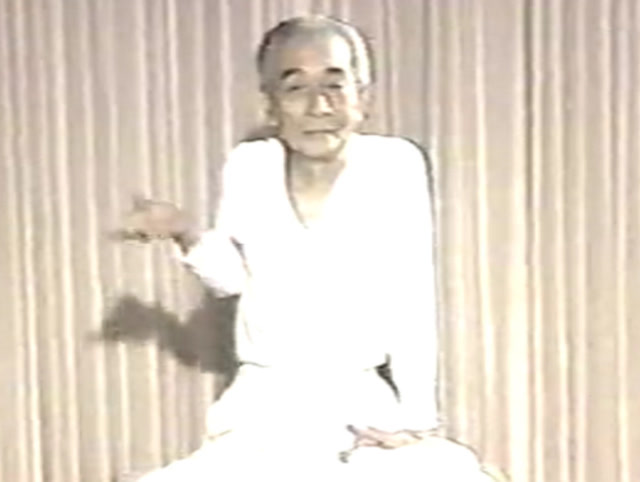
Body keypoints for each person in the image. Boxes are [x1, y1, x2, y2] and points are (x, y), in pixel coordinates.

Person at [119, 15, 493, 482]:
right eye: (296, 88)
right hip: (261, 408)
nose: (319, 106)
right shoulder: (250, 165)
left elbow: (412, 297)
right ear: (271, 104)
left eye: (335, 86)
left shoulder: (394, 165)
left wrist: (416, 421)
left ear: (363, 97)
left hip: (360, 409)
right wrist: (184, 232)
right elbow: (232, 281)